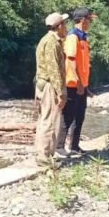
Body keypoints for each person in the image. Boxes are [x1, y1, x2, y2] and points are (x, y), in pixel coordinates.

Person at [57, 7, 97, 157]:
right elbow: (71, 60)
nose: (90, 22)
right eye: (89, 19)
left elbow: (83, 63)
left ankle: (74, 145)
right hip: (73, 84)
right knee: (68, 115)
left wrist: (86, 86)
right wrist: (79, 82)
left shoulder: (83, 36)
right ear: (82, 20)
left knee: (79, 115)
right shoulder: (73, 36)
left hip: (81, 84)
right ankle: (59, 146)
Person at [34, 12, 69, 167]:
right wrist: (61, 93)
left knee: (45, 119)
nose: (66, 27)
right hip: (49, 86)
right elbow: (53, 70)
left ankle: (43, 154)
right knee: (50, 121)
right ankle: (44, 157)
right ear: (59, 26)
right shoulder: (51, 42)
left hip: (45, 84)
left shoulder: (50, 40)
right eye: (64, 24)